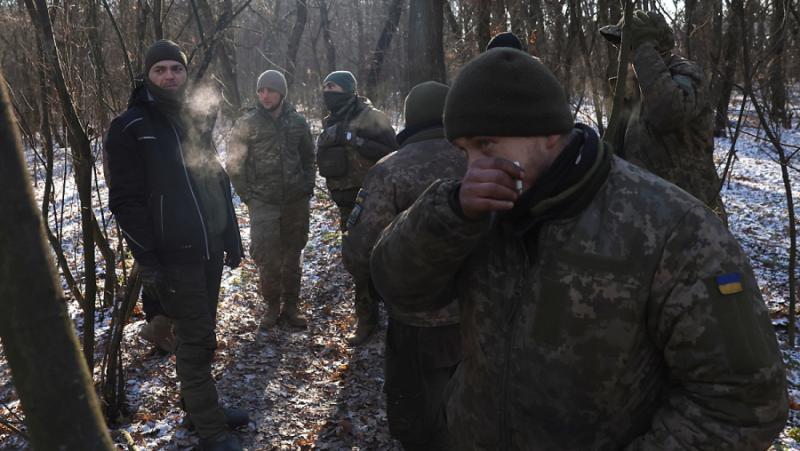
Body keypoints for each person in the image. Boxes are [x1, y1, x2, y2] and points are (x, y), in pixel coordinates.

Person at [370, 48, 788, 449]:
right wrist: (448, 215)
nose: (473, 167)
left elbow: (742, 403)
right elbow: (397, 287)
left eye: (486, 144)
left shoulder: (673, 230)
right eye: (464, 151)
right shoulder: (476, 212)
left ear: (550, 134)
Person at [105, 39, 247, 451]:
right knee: (196, 338)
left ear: (186, 74)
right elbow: (125, 202)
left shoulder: (194, 120)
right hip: (173, 255)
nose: (169, 75)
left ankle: (200, 407)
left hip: (209, 250)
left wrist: (231, 238)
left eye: (176, 69)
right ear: (147, 76)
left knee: (200, 334)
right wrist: (147, 259)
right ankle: (209, 428)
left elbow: (215, 182)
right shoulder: (130, 127)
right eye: (160, 69)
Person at [342, 81, 464, 449]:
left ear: (410, 118)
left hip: (416, 321)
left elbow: (359, 251)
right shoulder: (482, 161)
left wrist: (375, 287)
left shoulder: (389, 171)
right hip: (483, 313)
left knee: (419, 420)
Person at [599, 10, 727, 221]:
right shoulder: (633, 83)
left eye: (629, 45)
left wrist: (644, 49)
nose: (623, 52)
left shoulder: (685, 72)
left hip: (690, 212)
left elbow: (669, 112)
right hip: (648, 211)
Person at [227, 70, 315, 331]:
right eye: (261, 90)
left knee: (292, 254)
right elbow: (234, 164)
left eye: (271, 90)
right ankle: (272, 306)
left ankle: (291, 306)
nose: (265, 96)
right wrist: (249, 196)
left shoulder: (298, 122)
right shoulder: (247, 124)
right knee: (268, 257)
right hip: (263, 202)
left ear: (282, 93)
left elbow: (309, 158)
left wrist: (307, 186)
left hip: (295, 202)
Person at [316, 70, 398, 344]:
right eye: (326, 86)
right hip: (346, 202)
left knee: (385, 256)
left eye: (334, 87)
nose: (328, 91)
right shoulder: (329, 121)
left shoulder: (371, 116)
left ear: (349, 90)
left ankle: (398, 314)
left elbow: (393, 151)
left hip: (377, 200)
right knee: (356, 261)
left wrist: (353, 138)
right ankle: (367, 318)